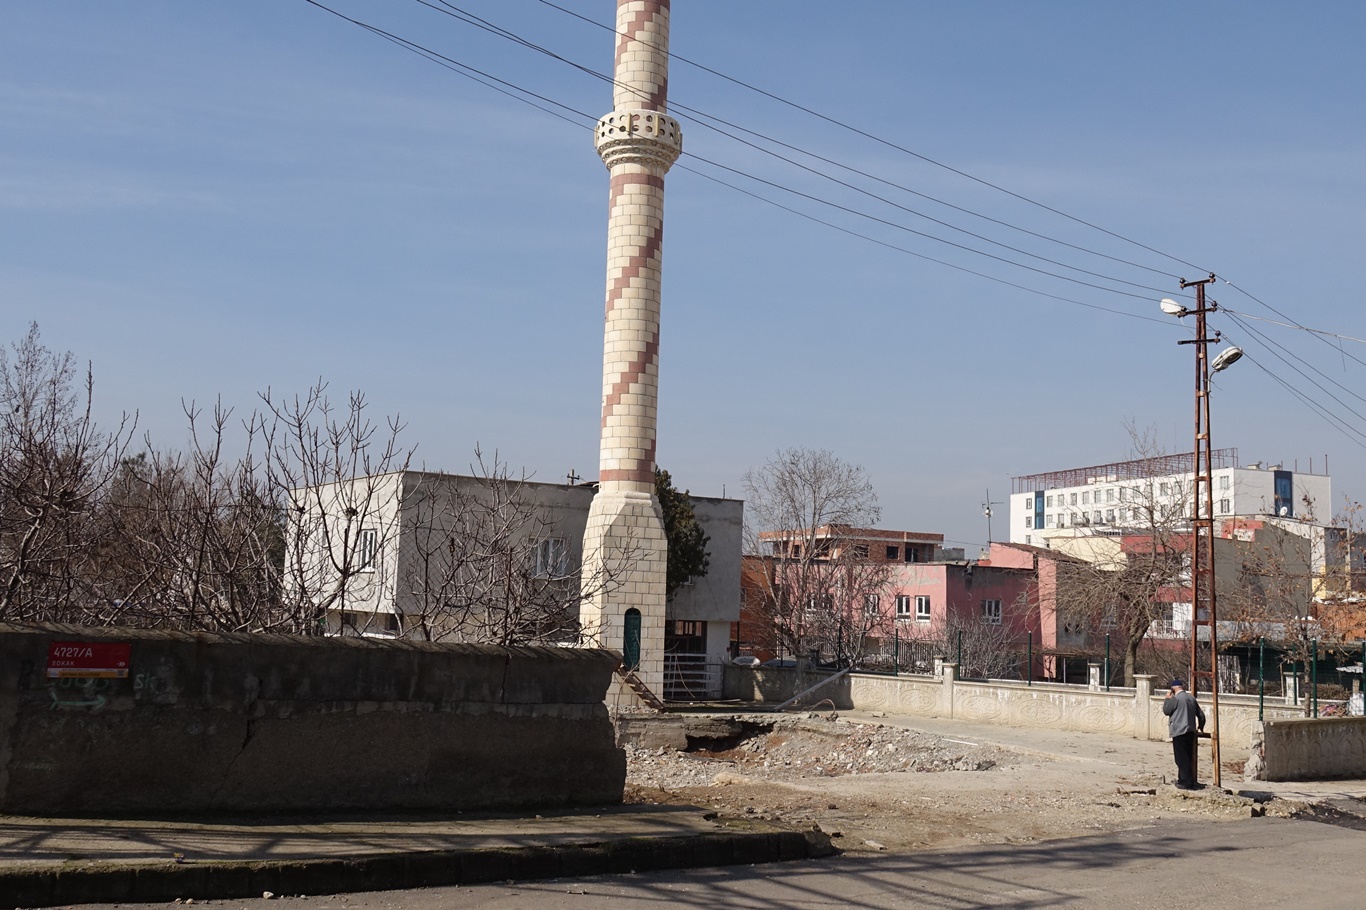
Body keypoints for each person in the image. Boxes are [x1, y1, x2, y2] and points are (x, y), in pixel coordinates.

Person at [1162, 678, 1206, 790]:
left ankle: (1185, 782)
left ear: (1173, 689)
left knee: (1181, 758)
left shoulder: (1175, 699)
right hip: (1190, 731)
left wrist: (1167, 699)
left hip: (1179, 731)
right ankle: (1184, 779)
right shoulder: (1191, 698)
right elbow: (1201, 715)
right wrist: (1200, 727)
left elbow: (1166, 711)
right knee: (1188, 756)